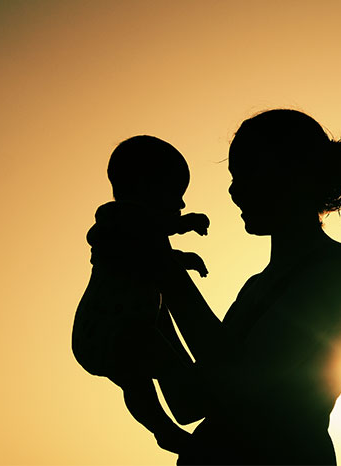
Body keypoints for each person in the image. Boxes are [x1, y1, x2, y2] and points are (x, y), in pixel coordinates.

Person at [156, 109, 341, 465]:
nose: (234, 190)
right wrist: (155, 304)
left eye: (247, 172)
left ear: (291, 173)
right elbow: (188, 403)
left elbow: (241, 382)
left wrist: (168, 273)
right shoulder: (255, 287)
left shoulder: (336, 269)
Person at [71, 135, 210, 454]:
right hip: (111, 328)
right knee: (153, 370)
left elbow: (145, 252)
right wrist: (183, 224)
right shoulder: (117, 218)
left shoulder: (135, 231)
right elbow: (142, 231)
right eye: (175, 194)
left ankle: (166, 429)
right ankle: (172, 419)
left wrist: (183, 259)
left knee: (136, 381)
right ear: (145, 185)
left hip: (124, 328)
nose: (181, 205)